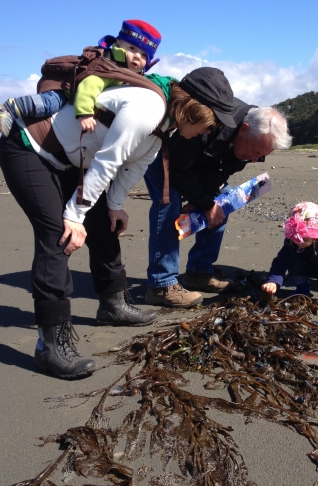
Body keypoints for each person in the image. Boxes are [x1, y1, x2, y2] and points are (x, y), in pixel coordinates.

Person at [0, 68, 221, 379]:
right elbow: (108, 161)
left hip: (70, 162)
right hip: (30, 149)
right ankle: (50, 343)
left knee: (104, 225)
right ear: (193, 111)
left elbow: (134, 167)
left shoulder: (164, 128)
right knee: (58, 236)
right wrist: (74, 218)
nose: (204, 133)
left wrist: (115, 206)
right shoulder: (147, 109)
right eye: (206, 126)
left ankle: (113, 304)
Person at [143, 69, 292, 308]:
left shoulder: (252, 138)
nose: (254, 159)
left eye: (261, 156)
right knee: (168, 201)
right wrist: (203, 203)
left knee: (223, 200)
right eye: (255, 151)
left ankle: (199, 272)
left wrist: (206, 201)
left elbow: (223, 172)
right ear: (243, 129)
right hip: (165, 155)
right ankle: (161, 285)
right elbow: (178, 169)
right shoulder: (210, 121)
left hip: (199, 164)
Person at [0, 19, 162, 136]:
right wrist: (84, 113)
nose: (136, 57)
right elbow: (90, 85)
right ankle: (11, 108)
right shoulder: (108, 65)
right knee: (50, 103)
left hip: (77, 91)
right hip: (66, 88)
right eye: (132, 48)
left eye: (143, 55)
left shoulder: (126, 75)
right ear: (118, 44)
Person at [261, 202, 318, 304]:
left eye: (304, 240)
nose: (299, 242)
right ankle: (302, 288)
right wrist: (273, 281)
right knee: (294, 259)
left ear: (315, 235)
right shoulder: (292, 243)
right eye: (296, 239)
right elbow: (280, 262)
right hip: (306, 266)